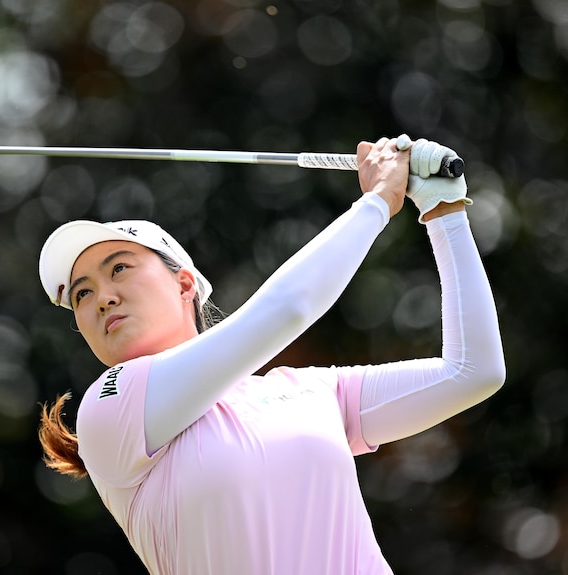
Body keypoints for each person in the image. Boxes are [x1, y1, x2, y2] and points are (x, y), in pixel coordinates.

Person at [37, 136, 505, 575]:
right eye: (81, 294)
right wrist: (378, 201)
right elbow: (285, 310)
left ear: (184, 284)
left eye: (119, 268)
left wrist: (446, 214)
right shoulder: (110, 409)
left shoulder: (309, 391)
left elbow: (473, 372)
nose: (102, 298)